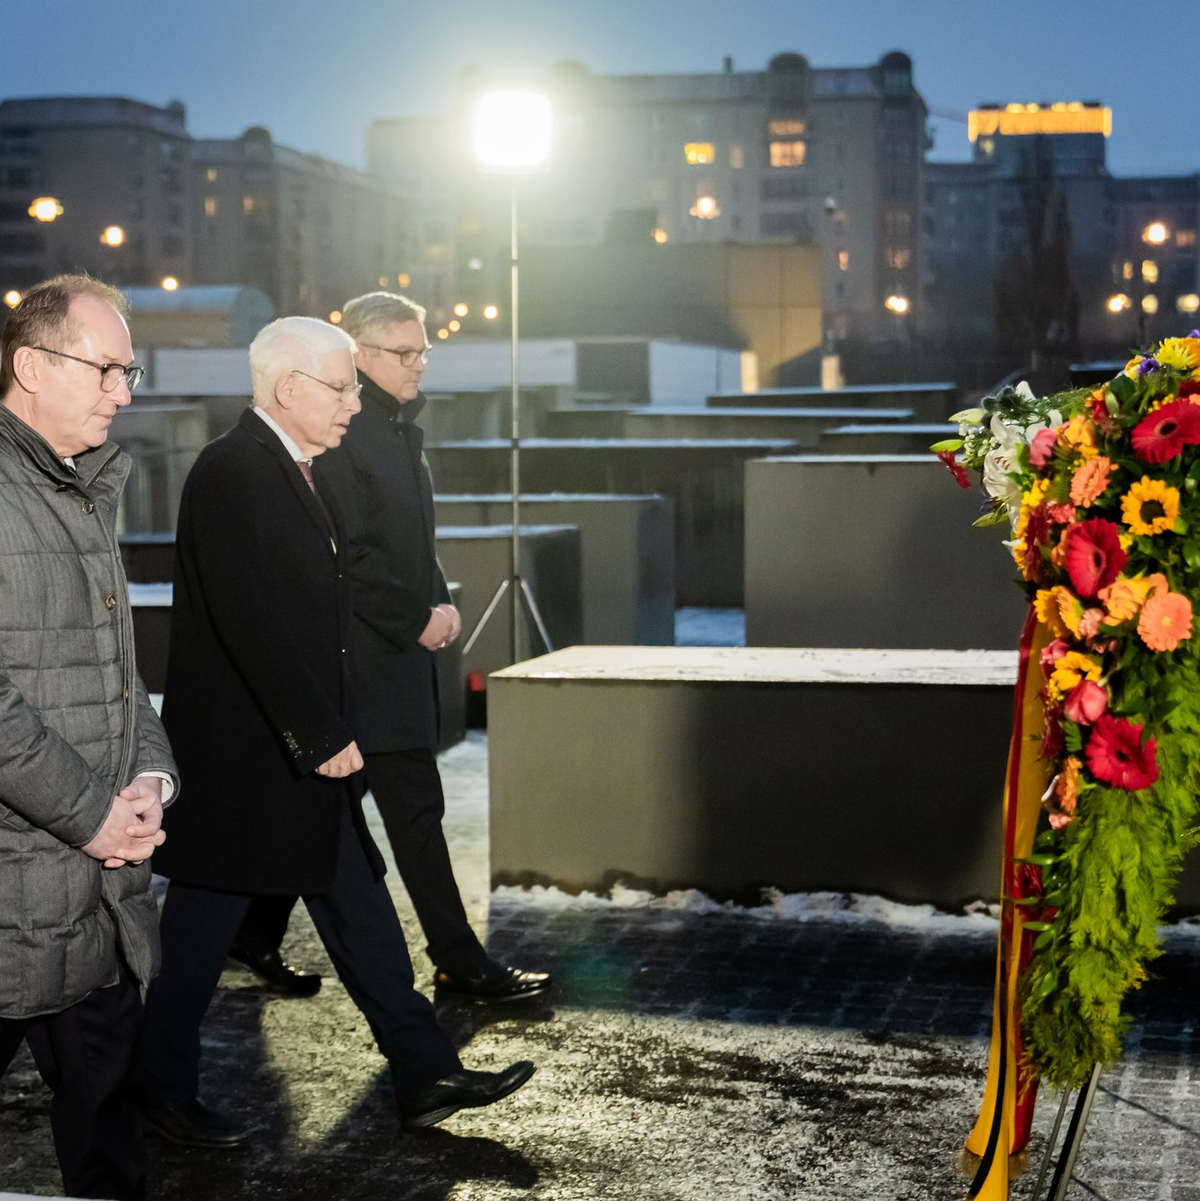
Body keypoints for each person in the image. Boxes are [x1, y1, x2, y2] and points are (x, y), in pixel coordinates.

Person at [139, 316, 533, 1148]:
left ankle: (423, 1069)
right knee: (198, 935)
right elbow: (253, 622)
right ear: (289, 389)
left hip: (299, 754)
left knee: (361, 910)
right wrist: (318, 734)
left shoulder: (296, 469)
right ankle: (156, 1088)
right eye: (342, 385)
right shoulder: (233, 472)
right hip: (256, 761)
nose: (356, 403)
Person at [232, 292, 550, 1003]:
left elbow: (408, 539)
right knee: (412, 817)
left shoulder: (398, 429)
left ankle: (247, 931)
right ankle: (460, 961)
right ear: (362, 355)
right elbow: (350, 555)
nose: (420, 363)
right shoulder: (348, 428)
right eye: (405, 352)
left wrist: (436, 596)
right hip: (364, 663)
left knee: (323, 815)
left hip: (386, 660)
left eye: (424, 349)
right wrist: (416, 617)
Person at [0, 274, 178, 1201]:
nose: (125, 390)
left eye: (128, 369)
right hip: (14, 899)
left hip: (99, 898)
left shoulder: (82, 490)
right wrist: (92, 819)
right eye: (106, 367)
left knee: (111, 1148)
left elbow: (116, 677)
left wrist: (151, 777)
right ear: (31, 365)